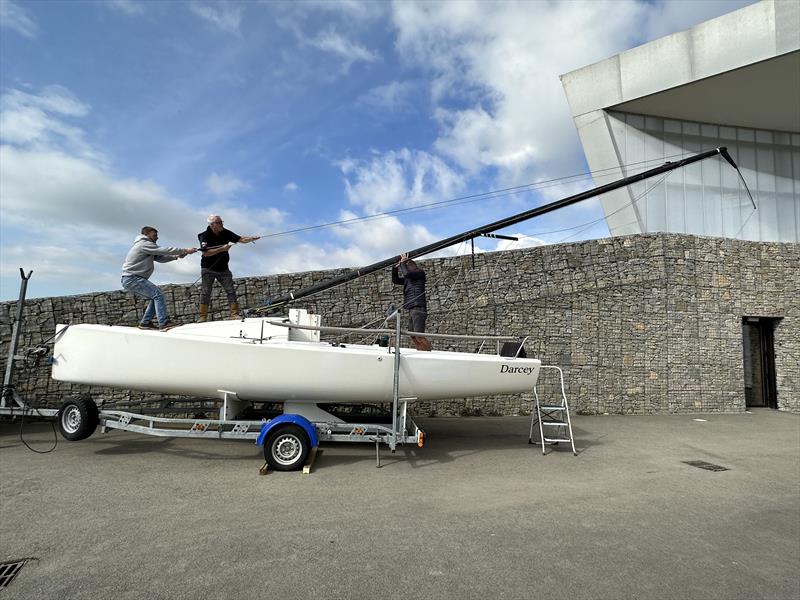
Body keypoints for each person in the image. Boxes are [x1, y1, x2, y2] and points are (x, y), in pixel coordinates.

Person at [121, 226, 197, 330]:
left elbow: (159, 258)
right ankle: (163, 322)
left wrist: (176, 257)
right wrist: (185, 250)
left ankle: (145, 323)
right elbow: (162, 250)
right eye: (154, 235)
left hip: (131, 279)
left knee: (155, 297)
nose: (157, 238)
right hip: (132, 278)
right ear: (146, 235)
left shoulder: (146, 246)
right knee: (158, 295)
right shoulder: (144, 244)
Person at [197, 215, 260, 321]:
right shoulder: (204, 236)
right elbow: (206, 253)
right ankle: (202, 316)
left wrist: (251, 238)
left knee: (230, 291)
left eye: (222, 222)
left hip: (224, 268)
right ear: (212, 225)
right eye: (219, 222)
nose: (222, 224)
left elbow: (240, 239)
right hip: (208, 268)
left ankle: (234, 314)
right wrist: (222, 249)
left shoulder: (225, 232)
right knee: (206, 292)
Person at [392, 253, 431, 351]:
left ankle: (427, 353)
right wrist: (395, 268)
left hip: (418, 308)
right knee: (412, 335)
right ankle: (421, 350)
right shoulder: (409, 278)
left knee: (418, 335)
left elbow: (407, 274)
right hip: (412, 308)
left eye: (407, 265)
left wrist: (403, 263)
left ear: (411, 266)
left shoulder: (420, 273)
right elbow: (395, 280)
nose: (405, 268)